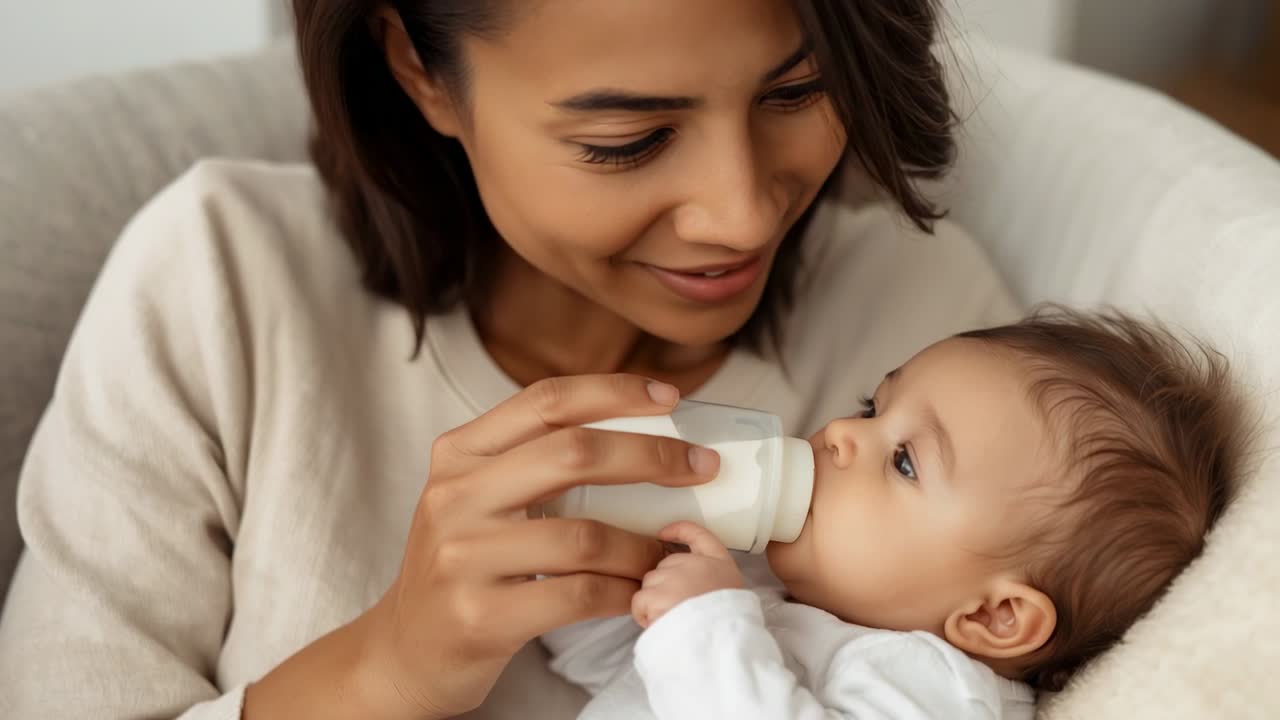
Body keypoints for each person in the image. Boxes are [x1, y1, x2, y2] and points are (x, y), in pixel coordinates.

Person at [0, 1, 1022, 718]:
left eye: (798, 90)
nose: (742, 210)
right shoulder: (223, 280)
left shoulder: (937, 341)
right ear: (418, 70)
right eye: (627, 139)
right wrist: (383, 671)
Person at [541, 309, 1246, 719]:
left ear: (994, 617)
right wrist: (592, 551)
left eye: (904, 460)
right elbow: (612, 666)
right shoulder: (764, 593)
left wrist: (700, 626)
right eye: (872, 406)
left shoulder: (937, 691)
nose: (842, 435)